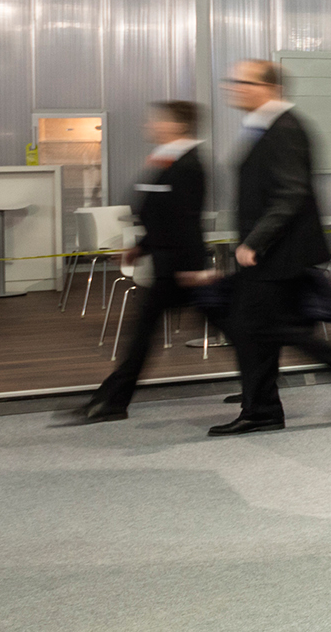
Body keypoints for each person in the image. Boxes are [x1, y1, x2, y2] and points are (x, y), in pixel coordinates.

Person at [214, 59, 331, 433]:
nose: (234, 88)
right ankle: (265, 404)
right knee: (266, 329)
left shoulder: (284, 128)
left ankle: (267, 406)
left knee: (260, 328)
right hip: (275, 252)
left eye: (243, 82)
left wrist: (255, 241)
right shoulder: (265, 127)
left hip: (277, 253)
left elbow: (291, 192)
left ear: (270, 88)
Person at [70, 100, 211, 423]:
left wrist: (194, 268)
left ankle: (263, 388)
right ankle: (112, 400)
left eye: (159, 120)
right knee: (143, 336)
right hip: (168, 264)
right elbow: (159, 212)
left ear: (179, 125)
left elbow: (186, 220)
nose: (151, 125)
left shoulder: (189, 164)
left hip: (181, 268)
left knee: (232, 329)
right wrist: (141, 247)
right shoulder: (169, 158)